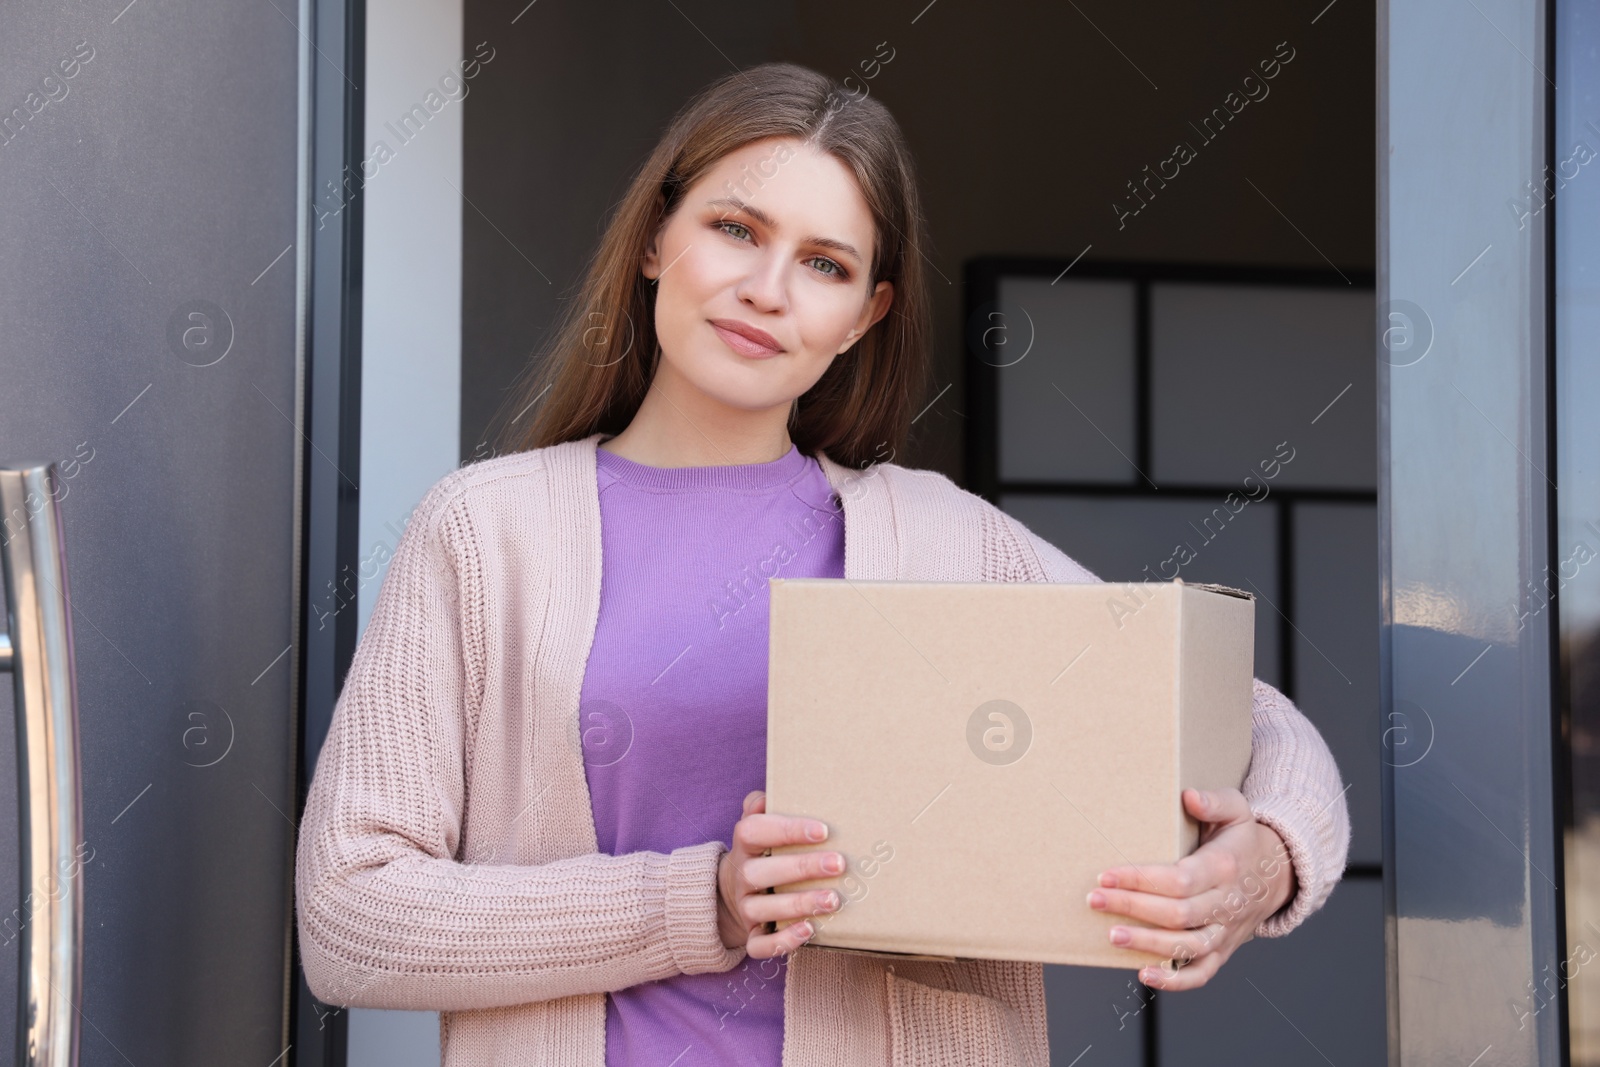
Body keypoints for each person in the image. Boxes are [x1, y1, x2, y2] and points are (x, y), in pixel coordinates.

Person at [294, 60, 1351, 1067]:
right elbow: (351, 915)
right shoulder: (486, 533)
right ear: (657, 238)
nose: (767, 289)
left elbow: (1250, 716)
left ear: (863, 316)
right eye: (734, 229)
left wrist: (1265, 860)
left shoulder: (946, 541)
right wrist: (699, 900)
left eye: (824, 264)